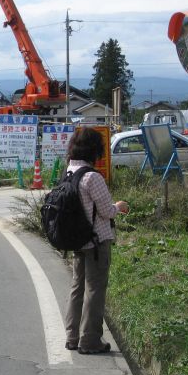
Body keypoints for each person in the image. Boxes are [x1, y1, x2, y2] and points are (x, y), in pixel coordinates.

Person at [63, 128, 129, 355]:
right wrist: (119, 207)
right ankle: (90, 340)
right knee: (95, 288)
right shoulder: (92, 176)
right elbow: (106, 211)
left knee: (77, 287)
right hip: (97, 241)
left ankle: (72, 337)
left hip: (77, 240)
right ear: (95, 149)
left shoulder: (69, 171)